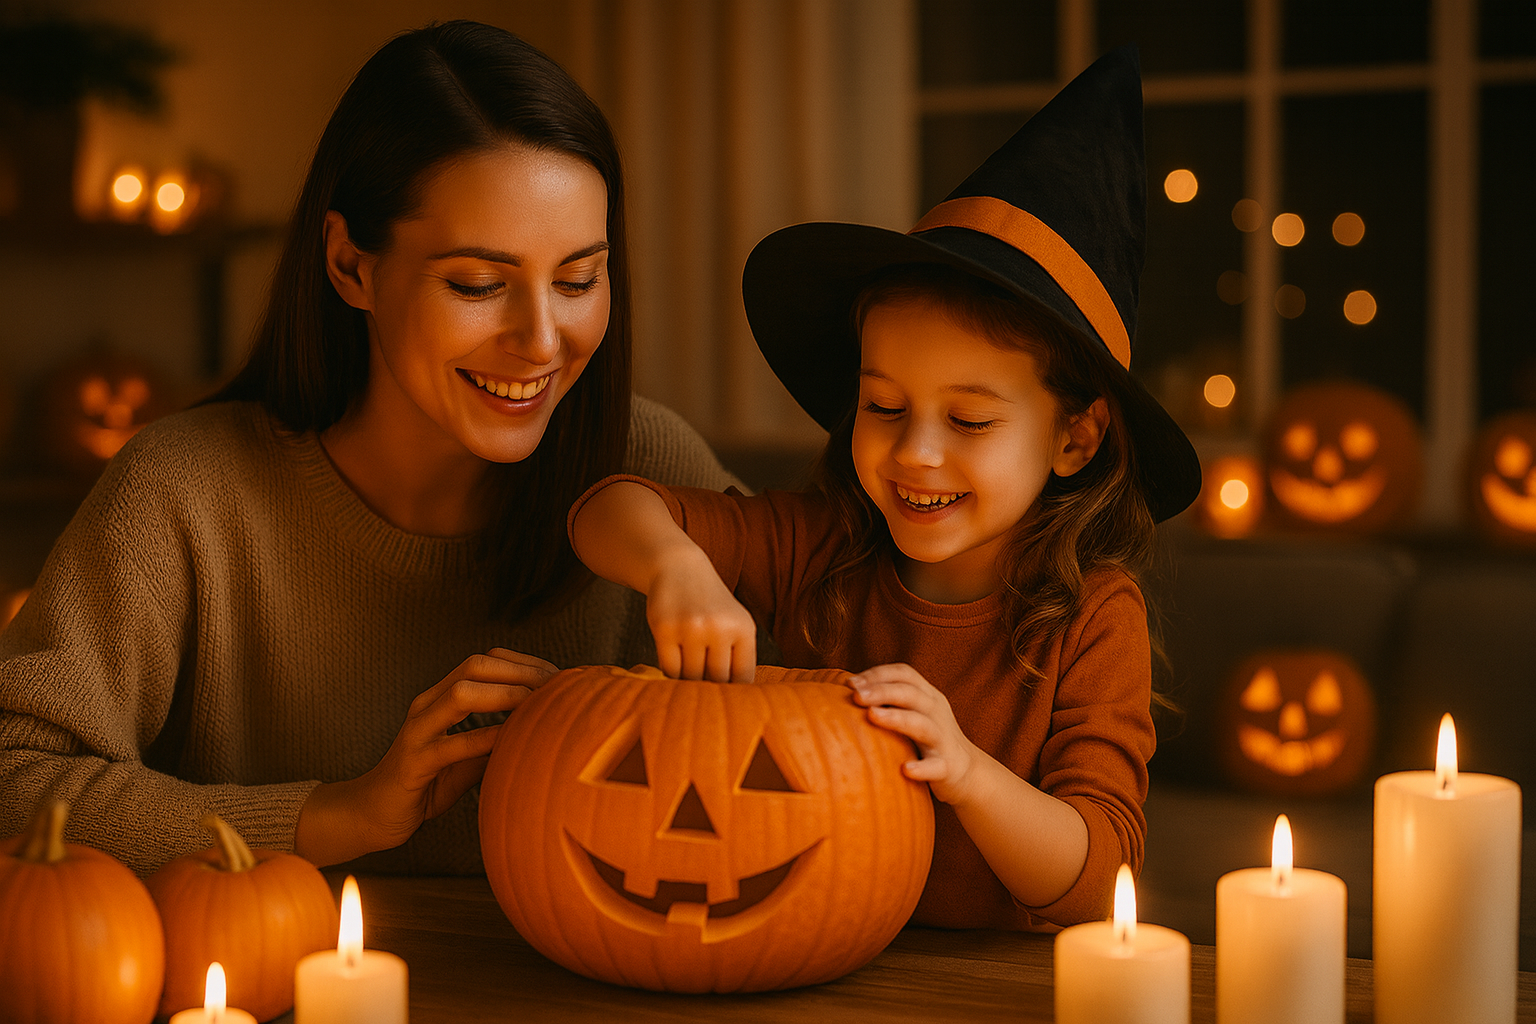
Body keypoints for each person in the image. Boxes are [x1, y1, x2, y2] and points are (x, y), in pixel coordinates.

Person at [0, 21, 740, 876]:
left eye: (579, 279)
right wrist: (339, 813)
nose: (542, 339)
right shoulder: (184, 492)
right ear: (352, 267)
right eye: (478, 284)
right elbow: (15, 780)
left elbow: (828, 719)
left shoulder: (654, 466)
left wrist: (666, 599)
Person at [568, 48, 1201, 930]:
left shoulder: (1094, 616)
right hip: (810, 951)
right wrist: (675, 567)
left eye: (970, 422)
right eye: (884, 406)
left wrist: (967, 770)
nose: (917, 454)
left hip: (987, 993)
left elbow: (1101, 880)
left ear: (1074, 437)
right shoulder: (825, 544)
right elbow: (604, 510)